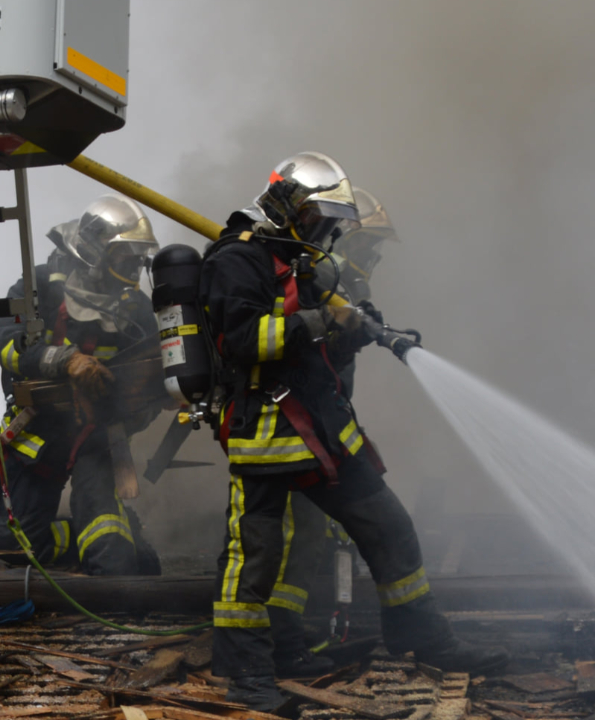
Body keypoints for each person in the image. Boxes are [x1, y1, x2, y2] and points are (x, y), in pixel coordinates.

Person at [199, 152, 507, 709]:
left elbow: (318, 348)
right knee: (254, 560)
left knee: (389, 526)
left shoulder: (307, 265)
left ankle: (422, 636)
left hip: (325, 430)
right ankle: (246, 672)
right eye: (319, 218)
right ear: (290, 207)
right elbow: (242, 340)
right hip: (267, 432)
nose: (327, 232)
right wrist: (321, 320)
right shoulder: (236, 259)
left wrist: (356, 332)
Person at [263, 187, 399, 678]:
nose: (374, 257)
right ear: (342, 238)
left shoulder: (341, 289)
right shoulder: (316, 281)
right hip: (294, 431)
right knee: (297, 534)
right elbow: (290, 351)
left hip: (320, 430)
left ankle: (287, 635)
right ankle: (280, 641)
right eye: (369, 245)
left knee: (307, 533)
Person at [0, 194, 163, 575]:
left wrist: (132, 407)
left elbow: (153, 376)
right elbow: (8, 345)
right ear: (94, 251)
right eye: (126, 256)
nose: (135, 267)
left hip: (97, 434)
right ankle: (73, 538)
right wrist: (66, 359)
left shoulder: (136, 310)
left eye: (139, 257)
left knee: (107, 536)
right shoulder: (37, 285)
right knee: (13, 551)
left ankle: (118, 583)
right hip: (37, 431)